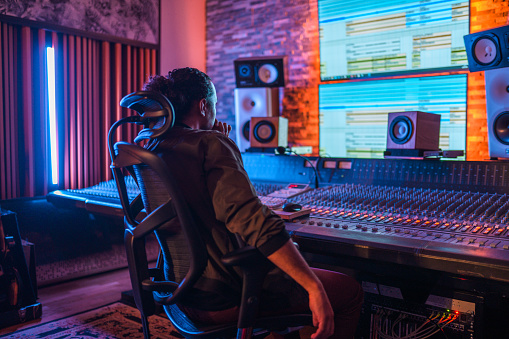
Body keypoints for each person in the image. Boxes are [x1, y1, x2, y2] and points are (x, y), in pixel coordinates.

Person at [142, 67, 363, 339]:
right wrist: (312, 286)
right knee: (349, 291)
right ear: (202, 105)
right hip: (222, 296)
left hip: (178, 289)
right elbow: (253, 221)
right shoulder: (209, 144)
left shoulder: (151, 145)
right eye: (214, 105)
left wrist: (220, 142)